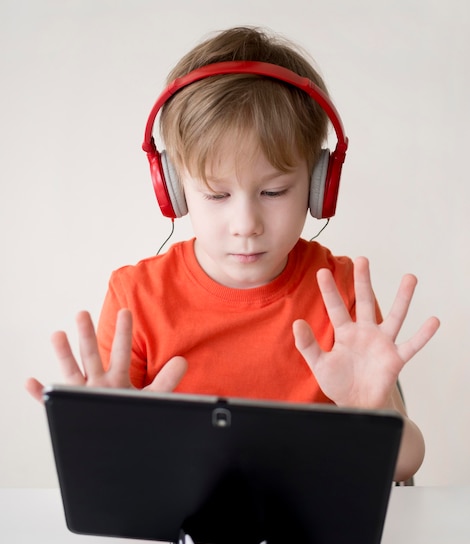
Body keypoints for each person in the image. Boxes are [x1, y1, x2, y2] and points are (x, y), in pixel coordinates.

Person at [26, 26, 439, 482]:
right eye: (216, 195)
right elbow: (105, 477)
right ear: (174, 190)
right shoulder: (136, 297)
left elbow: (405, 464)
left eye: (274, 190)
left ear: (320, 186)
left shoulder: (339, 291)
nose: (246, 224)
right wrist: (101, 431)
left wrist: (374, 412)